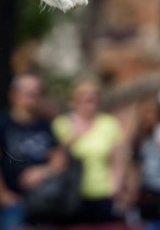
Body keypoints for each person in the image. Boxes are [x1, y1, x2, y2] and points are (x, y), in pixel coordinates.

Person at [0, 73, 66, 230]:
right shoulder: (0, 123)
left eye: (37, 93)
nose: (34, 98)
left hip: (44, 203)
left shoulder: (45, 125)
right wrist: (0, 194)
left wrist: (43, 172)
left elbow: (59, 159)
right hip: (12, 203)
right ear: (15, 95)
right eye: (29, 93)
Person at [53, 77, 126, 224]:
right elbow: (57, 159)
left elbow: (117, 158)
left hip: (103, 192)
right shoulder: (62, 124)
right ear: (74, 101)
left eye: (91, 99)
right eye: (82, 99)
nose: (87, 104)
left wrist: (116, 186)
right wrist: (74, 136)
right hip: (71, 193)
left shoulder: (109, 123)